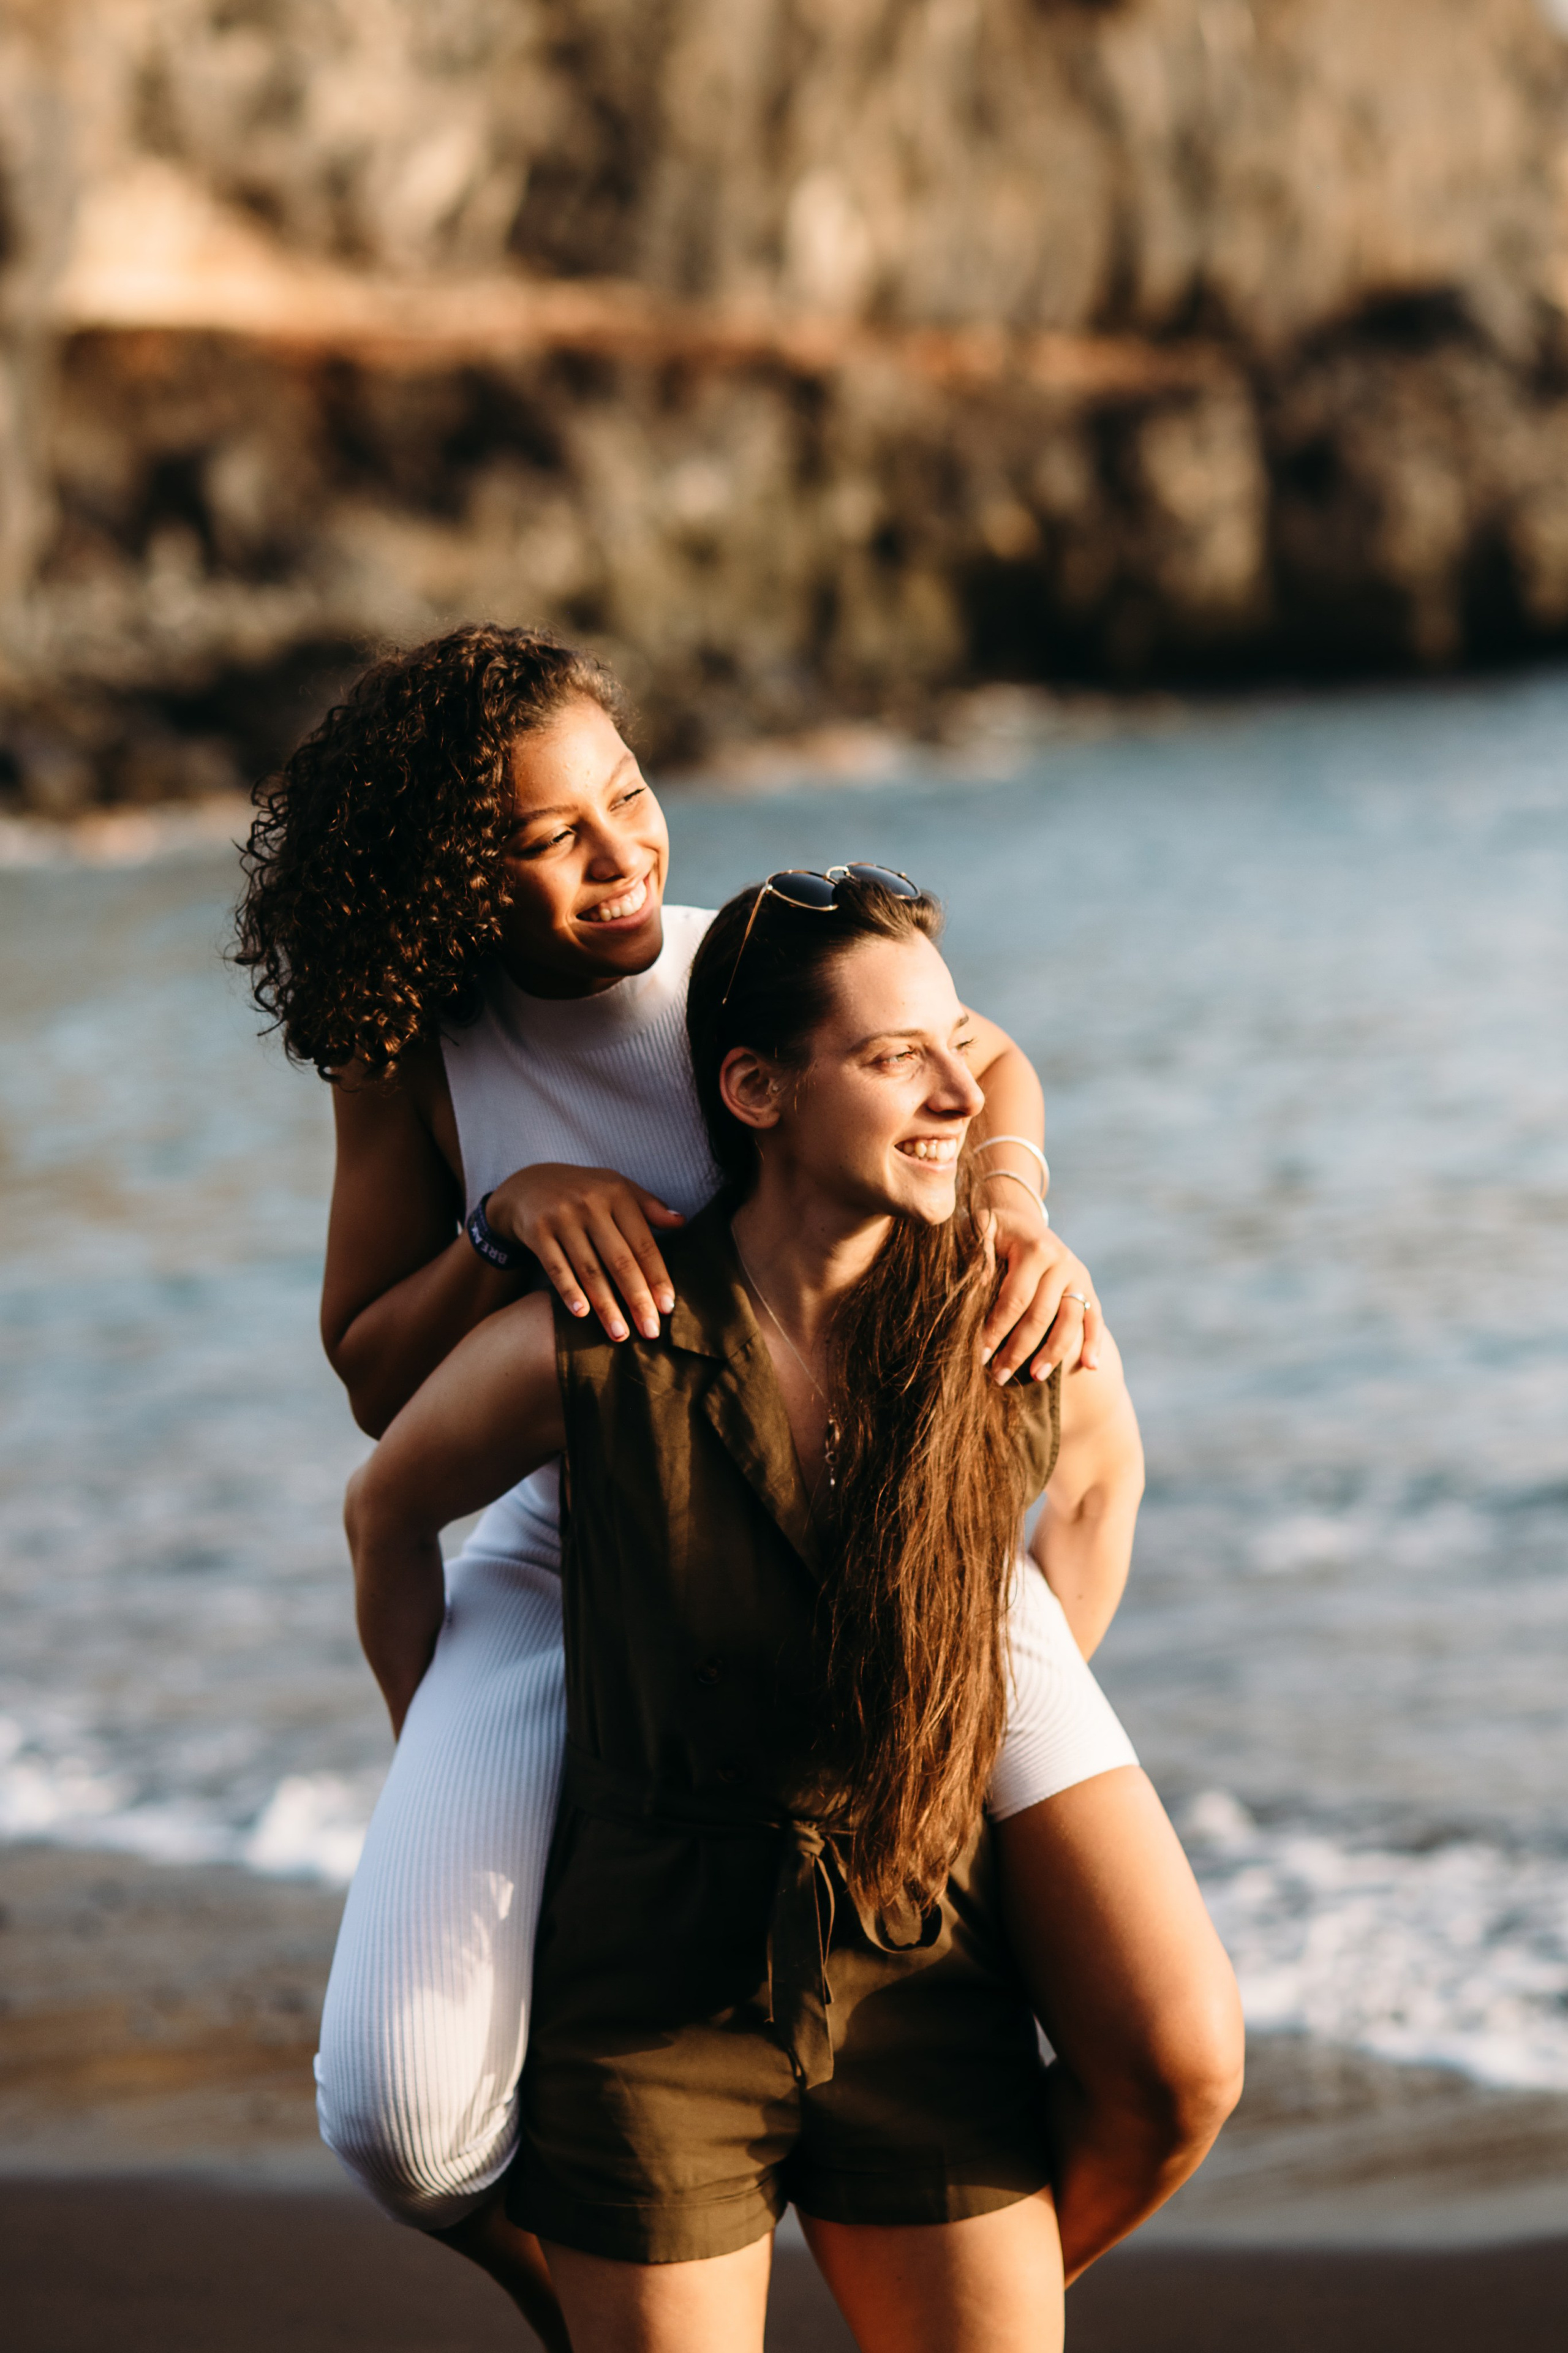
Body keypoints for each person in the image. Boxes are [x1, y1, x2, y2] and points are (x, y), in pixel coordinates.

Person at [236, 627, 1242, 2342]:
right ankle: (594, 2280)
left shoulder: (741, 972)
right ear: (453, 878)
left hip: (882, 1515)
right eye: (551, 837)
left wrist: (1013, 1209)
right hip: (580, 1546)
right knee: (396, 2114)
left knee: (1176, 2046)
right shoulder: (412, 1051)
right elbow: (372, 1381)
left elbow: (983, 1061)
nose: (620, 853)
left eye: (628, 795)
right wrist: (506, 1220)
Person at [345, 872, 1159, 2349]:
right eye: (895, 1059)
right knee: (391, 2113)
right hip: (649, 2005)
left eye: (953, 1049)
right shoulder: (601, 1328)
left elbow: (1099, 1482)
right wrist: (447, 1757)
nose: (955, 1095)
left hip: (920, 1973)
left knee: (1178, 2063)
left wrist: (961, 1725)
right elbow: (385, 1511)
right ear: (754, 1090)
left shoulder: (1002, 1310)